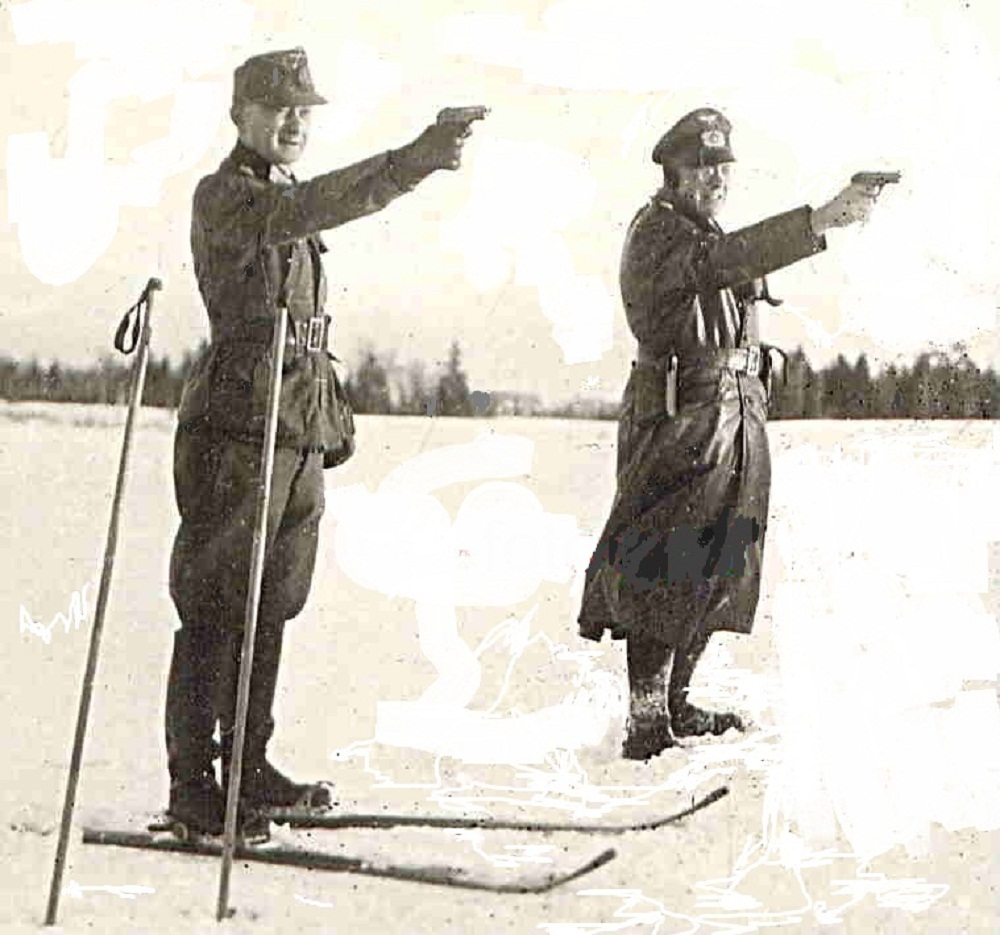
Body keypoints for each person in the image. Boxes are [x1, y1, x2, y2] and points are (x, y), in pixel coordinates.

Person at [165, 48, 483, 834]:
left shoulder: (286, 199)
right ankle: (193, 785)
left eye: (304, 109)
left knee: (273, 600)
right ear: (240, 114)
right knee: (218, 602)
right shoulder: (227, 196)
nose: (294, 121)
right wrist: (410, 162)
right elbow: (308, 210)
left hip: (298, 419)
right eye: (278, 107)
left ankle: (248, 766)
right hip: (240, 423)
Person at [577, 107, 887, 761]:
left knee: (721, 557)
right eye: (703, 168)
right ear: (673, 171)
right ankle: (646, 719)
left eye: (723, 168)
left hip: (731, 409)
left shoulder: (699, 230)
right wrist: (819, 221)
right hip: (681, 414)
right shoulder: (658, 231)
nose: (717, 178)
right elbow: (721, 262)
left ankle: (676, 701)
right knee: (665, 557)